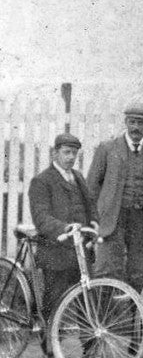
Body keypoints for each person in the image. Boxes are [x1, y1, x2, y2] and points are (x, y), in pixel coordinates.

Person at [86, 102, 143, 292]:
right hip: (112, 219)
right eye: (132, 122)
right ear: (125, 122)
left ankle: (137, 319)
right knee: (107, 270)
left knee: (140, 273)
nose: (136, 127)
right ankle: (104, 319)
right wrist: (92, 219)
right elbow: (92, 186)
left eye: (141, 123)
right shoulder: (107, 148)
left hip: (142, 220)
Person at [28, 133, 97, 324]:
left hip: (80, 250)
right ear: (54, 153)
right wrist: (65, 228)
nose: (71, 157)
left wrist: (94, 224)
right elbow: (41, 218)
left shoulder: (78, 177)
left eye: (74, 153)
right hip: (55, 251)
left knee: (87, 299)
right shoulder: (42, 181)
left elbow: (90, 206)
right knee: (54, 301)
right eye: (67, 152)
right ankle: (49, 343)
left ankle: (90, 345)